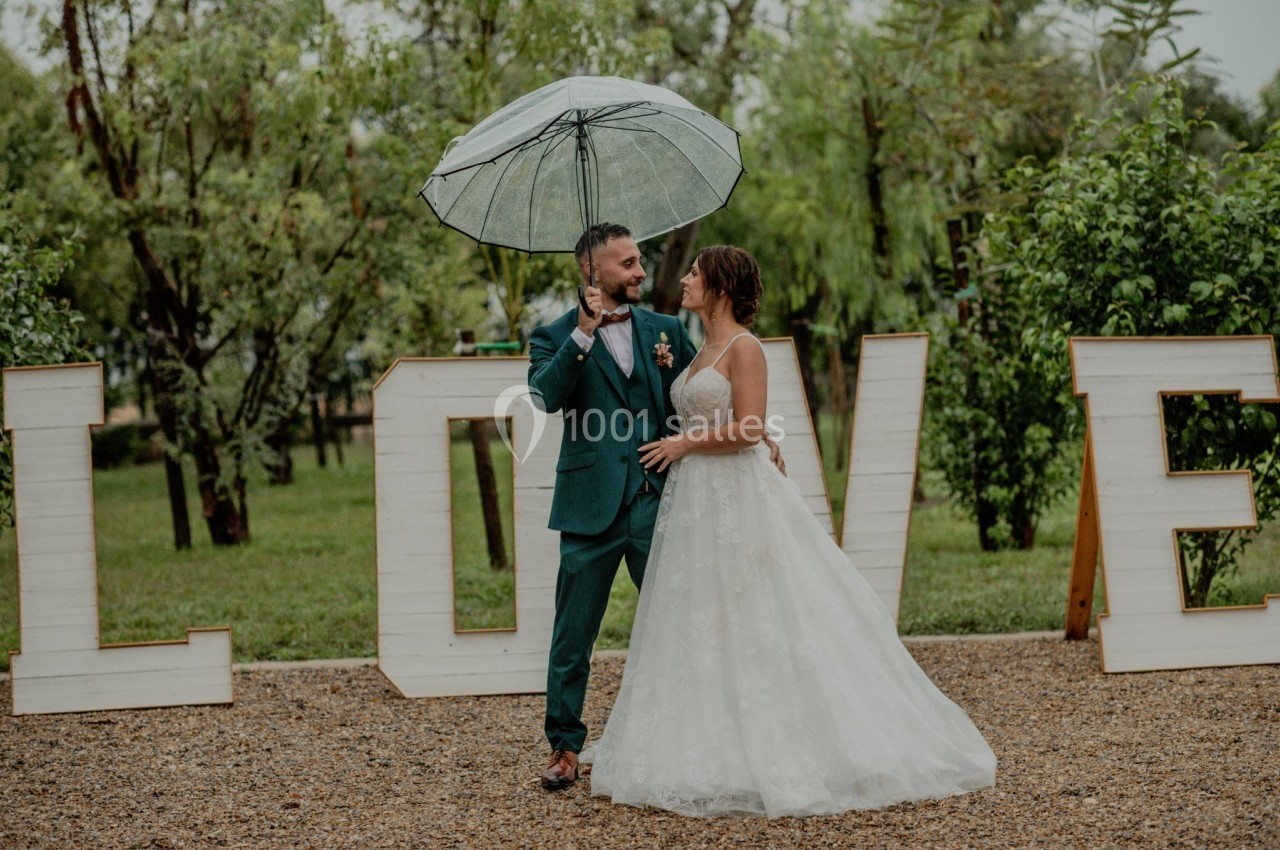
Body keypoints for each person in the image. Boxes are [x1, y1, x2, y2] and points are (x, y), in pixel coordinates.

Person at [581, 245, 997, 817]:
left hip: (737, 496)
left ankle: (783, 742)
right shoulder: (699, 346)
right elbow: (718, 417)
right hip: (698, 501)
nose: (683, 280)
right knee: (707, 616)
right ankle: (706, 735)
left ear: (721, 286)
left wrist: (685, 443)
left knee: (760, 612)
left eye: (695, 273)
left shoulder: (745, 347)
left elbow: (750, 426)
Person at [527, 224, 787, 791]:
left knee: (687, 622)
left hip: (659, 504)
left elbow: (707, 387)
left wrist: (758, 434)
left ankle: (709, 736)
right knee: (572, 635)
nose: (641, 271)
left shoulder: (666, 329)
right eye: (627, 263)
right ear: (592, 273)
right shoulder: (552, 334)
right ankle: (565, 747)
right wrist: (583, 334)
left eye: (639, 259)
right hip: (588, 508)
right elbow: (545, 397)